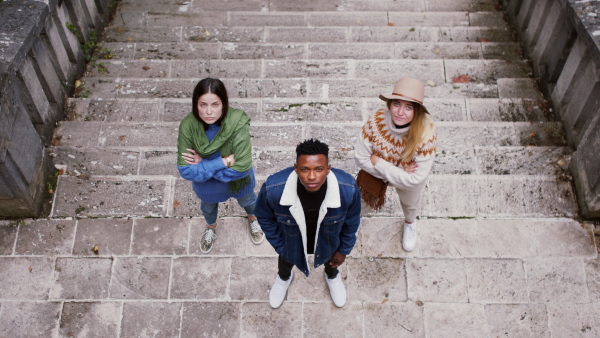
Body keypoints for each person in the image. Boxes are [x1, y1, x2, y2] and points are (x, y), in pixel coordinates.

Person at [255, 139, 361, 309]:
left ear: (328, 169)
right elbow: (264, 216)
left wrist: (343, 250)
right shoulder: (273, 188)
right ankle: (283, 278)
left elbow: (352, 221)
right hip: (291, 241)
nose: (312, 176)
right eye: (305, 169)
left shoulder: (348, 189)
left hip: (329, 241)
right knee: (285, 261)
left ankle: (332, 276)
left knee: (331, 261)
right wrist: (281, 246)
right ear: (296, 168)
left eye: (319, 169)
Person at [177, 78, 264, 254]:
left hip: (238, 181)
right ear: (196, 104)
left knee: (249, 201)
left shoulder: (237, 122)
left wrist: (204, 165)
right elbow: (185, 170)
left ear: (223, 103)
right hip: (208, 188)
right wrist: (223, 162)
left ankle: (253, 218)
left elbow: (243, 167)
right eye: (203, 105)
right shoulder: (188, 126)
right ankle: (211, 227)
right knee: (208, 208)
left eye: (215, 104)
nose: (209, 112)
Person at [355, 77, 436, 252]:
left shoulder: (426, 135)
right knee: (362, 200)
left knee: (410, 203)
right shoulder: (376, 121)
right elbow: (360, 158)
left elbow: (415, 179)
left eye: (409, 107)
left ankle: (409, 223)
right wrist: (399, 171)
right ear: (390, 104)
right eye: (397, 104)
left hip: (384, 170)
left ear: (417, 112)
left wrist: (380, 163)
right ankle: (355, 220)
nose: (400, 112)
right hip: (384, 173)